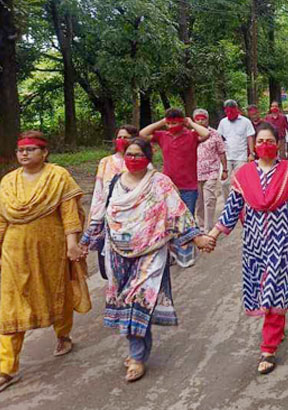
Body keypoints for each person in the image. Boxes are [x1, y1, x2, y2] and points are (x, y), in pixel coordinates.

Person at [80, 138, 214, 383]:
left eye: (137, 154)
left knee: (139, 302)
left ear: (149, 157)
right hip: (118, 255)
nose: (132, 159)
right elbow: (100, 212)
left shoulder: (160, 183)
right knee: (126, 305)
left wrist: (198, 239)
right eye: (128, 154)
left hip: (151, 252)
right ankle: (136, 350)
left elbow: (178, 212)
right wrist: (85, 241)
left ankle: (137, 357)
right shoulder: (114, 183)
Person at [207, 123, 288, 375]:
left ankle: (268, 347)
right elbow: (231, 210)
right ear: (254, 145)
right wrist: (214, 234)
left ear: (279, 143)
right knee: (260, 289)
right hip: (254, 244)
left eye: (270, 141)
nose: (265, 146)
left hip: (283, 242)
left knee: (275, 289)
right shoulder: (244, 175)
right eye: (260, 141)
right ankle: (276, 328)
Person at [0, 132, 90, 392]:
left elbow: (70, 214)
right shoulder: (8, 182)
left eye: (30, 149)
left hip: (51, 248)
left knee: (56, 293)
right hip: (14, 250)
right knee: (10, 304)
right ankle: (7, 367)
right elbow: (3, 219)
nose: (24, 154)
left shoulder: (58, 176)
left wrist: (72, 244)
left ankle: (63, 335)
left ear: (44, 152)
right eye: (21, 150)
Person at [139, 108, 210, 267]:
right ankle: (170, 252)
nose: (172, 126)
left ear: (182, 121)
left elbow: (205, 134)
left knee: (187, 219)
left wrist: (190, 122)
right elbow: (143, 134)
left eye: (175, 122)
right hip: (168, 186)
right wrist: (162, 122)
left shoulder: (191, 136)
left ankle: (186, 252)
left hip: (189, 185)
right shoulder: (163, 136)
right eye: (169, 123)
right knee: (167, 220)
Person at [88, 124, 138, 280]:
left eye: (126, 137)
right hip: (108, 216)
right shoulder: (106, 162)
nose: (122, 140)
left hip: (131, 218)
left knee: (130, 257)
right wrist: (95, 218)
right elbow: (99, 191)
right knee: (108, 264)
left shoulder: (140, 161)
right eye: (119, 137)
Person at [194, 108, 228, 232]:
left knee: (209, 200)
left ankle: (208, 228)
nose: (201, 121)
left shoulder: (214, 134)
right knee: (199, 202)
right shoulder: (191, 134)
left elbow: (222, 152)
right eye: (198, 119)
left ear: (207, 119)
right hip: (194, 173)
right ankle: (201, 225)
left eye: (203, 118)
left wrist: (225, 169)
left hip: (211, 172)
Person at [217, 99, 256, 200]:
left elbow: (250, 137)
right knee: (224, 182)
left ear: (237, 110)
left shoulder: (245, 122)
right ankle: (227, 204)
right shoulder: (223, 122)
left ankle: (242, 203)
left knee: (241, 182)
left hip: (241, 157)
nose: (230, 113)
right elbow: (219, 138)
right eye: (227, 111)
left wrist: (251, 153)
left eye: (232, 111)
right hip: (227, 157)